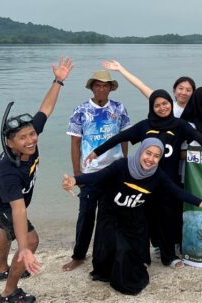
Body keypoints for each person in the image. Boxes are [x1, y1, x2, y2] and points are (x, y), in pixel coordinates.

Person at [86, 90, 202, 269]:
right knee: (143, 220)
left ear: (171, 103)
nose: (162, 107)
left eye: (165, 103)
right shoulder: (144, 126)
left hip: (168, 182)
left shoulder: (180, 125)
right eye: (157, 105)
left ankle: (168, 256)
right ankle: (142, 257)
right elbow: (119, 137)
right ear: (152, 107)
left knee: (167, 220)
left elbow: (199, 138)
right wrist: (96, 152)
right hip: (144, 181)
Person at [62, 138, 202, 295]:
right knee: (106, 254)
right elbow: (98, 177)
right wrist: (75, 180)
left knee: (128, 262)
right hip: (111, 213)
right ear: (140, 151)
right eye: (148, 153)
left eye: (156, 156)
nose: (151, 159)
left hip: (134, 215)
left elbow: (177, 192)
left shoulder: (157, 175)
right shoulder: (122, 165)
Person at [0, 57, 73, 303]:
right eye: (23, 138)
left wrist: (58, 81)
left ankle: (1, 270)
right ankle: (9, 293)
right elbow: (18, 210)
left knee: (7, 229)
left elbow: (46, 108)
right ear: (10, 143)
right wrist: (24, 247)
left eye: (32, 133)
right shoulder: (9, 172)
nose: (31, 140)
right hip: (0, 202)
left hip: (2, 199)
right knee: (30, 239)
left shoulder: (29, 142)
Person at [62, 70, 132, 272]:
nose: (101, 89)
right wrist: (78, 175)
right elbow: (75, 143)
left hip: (115, 171)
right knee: (86, 214)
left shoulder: (119, 108)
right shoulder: (81, 110)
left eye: (106, 85)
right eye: (98, 85)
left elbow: (124, 137)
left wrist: (125, 163)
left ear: (111, 88)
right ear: (92, 87)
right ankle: (79, 255)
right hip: (90, 172)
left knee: (113, 215)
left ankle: (113, 252)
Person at [101, 60, 195, 117]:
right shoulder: (166, 106)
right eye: (181, 88)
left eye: (188, 90)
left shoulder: (198, 110)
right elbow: (141, 86)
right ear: (174, 91)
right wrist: (121, 69)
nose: (183, 92)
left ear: (193, 93)